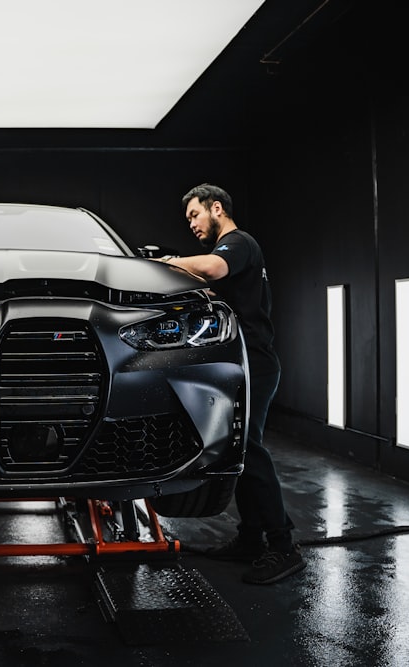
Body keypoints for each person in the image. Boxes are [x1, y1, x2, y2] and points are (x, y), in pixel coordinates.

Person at [160, 183, 305, 585]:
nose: (191, 224)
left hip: (254, 363)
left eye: (194, 215)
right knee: (238, 451)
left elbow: (212, 268)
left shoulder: (237, 243)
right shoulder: (237, 252)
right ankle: (250, 538)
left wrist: (169, 262)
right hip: (242, 362)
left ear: (217, 208)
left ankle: (282, 547)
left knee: (248, 450)